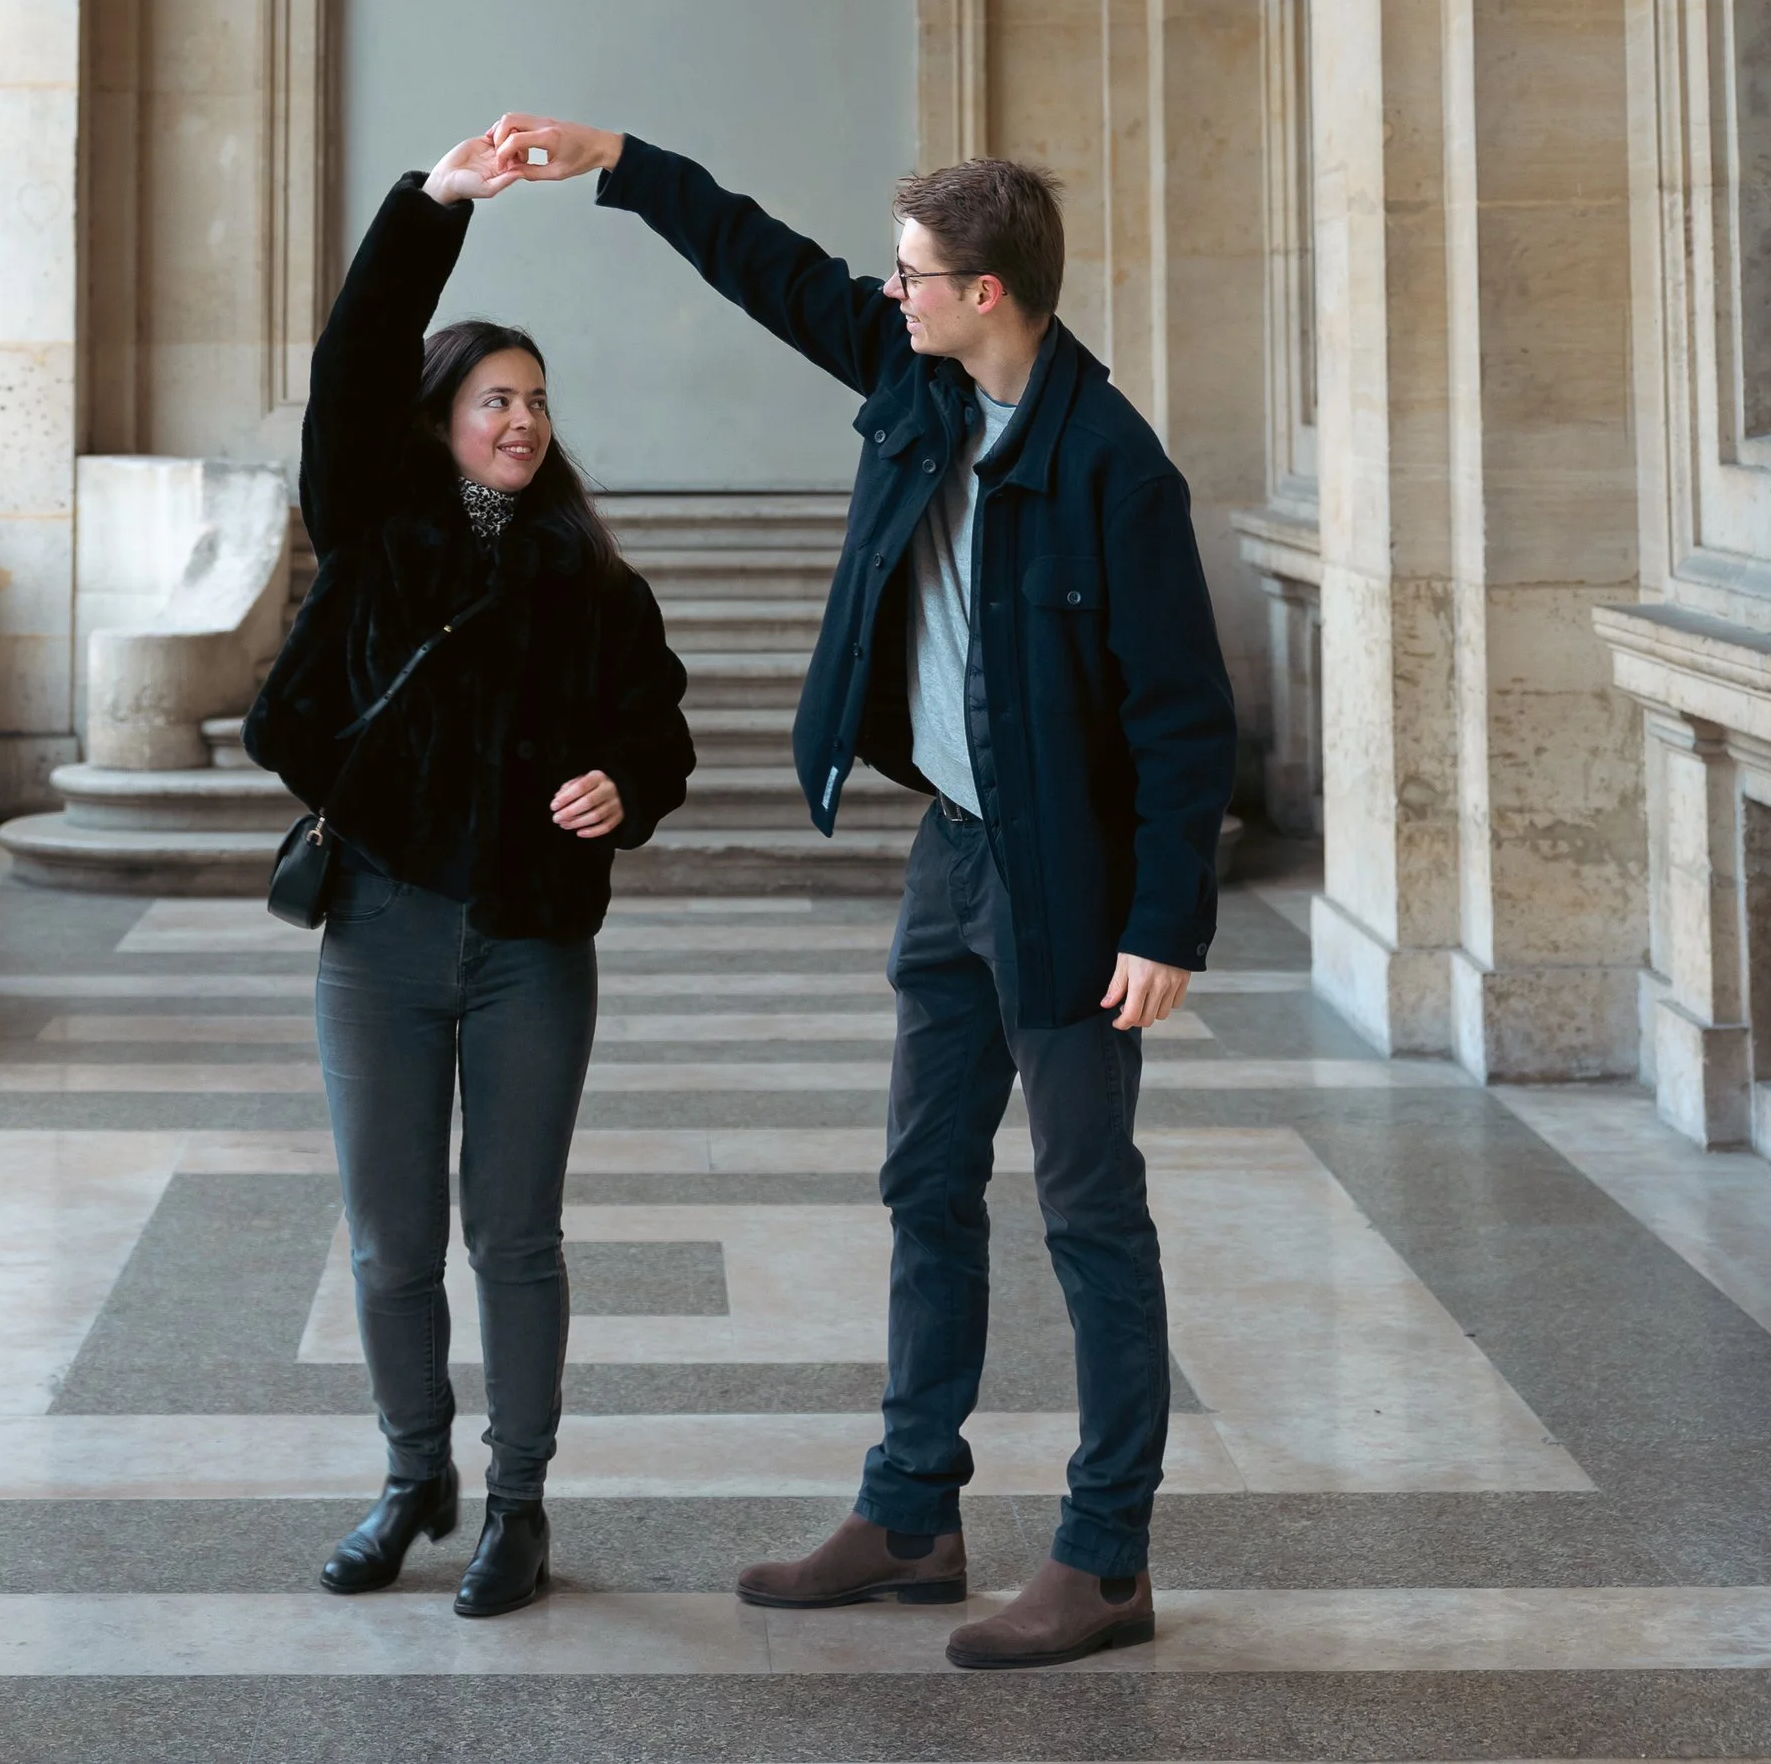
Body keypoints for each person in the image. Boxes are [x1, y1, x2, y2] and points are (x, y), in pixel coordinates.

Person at [496, 118, 1236, 1671]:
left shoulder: (1114, 468)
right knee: (923, 1183)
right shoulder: (918, 381)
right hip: (953, 852)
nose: (884, 293)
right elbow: (767, 267)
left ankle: (1105, 1556)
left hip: (1070, 885)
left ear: (987, 291)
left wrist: (1167, 922)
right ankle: (912, 1515)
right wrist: (621, 160)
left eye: (912, 277)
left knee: (1093, 1212)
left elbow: (1182, 719)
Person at [244, 129, 695, 1619]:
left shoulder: (592, 582)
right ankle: (409, 1472)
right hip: (377, 931)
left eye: (539, 400)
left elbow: (661, 735)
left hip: (528, 948)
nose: (523, 419)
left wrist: (625, 786)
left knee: (513, 1234)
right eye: (497, 397)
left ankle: (516, 1502)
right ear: (439, 417)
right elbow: (351, 363)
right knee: (388, 1241)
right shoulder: (380, 539)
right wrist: (432, 204)